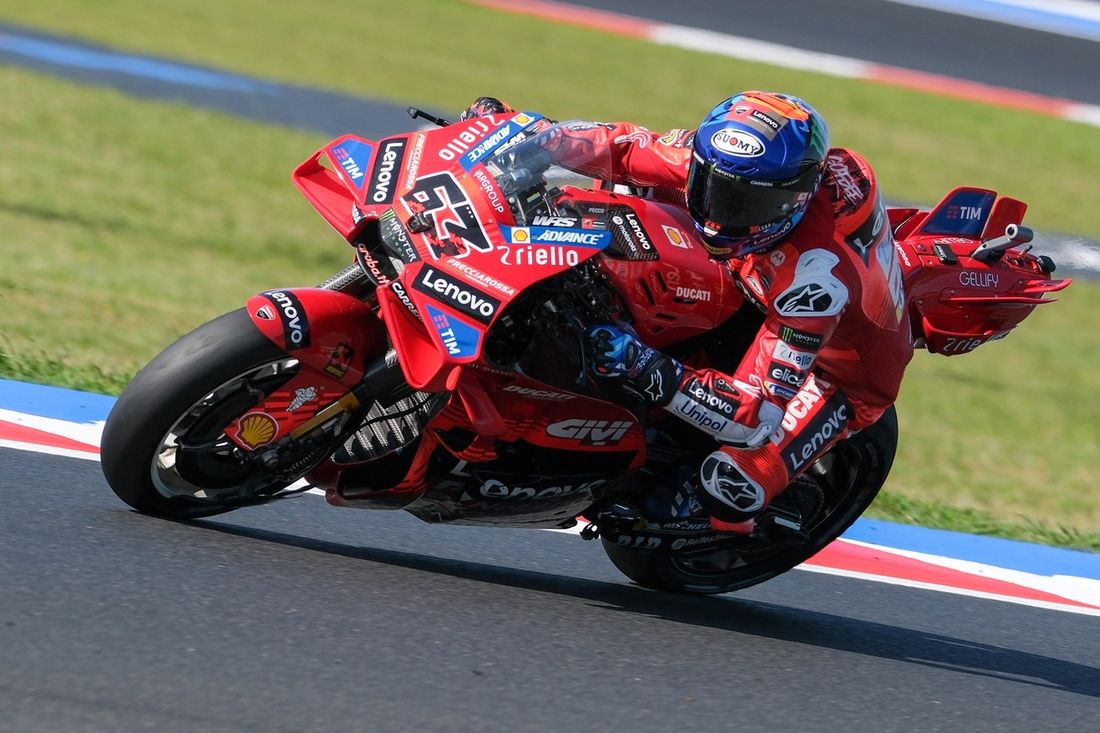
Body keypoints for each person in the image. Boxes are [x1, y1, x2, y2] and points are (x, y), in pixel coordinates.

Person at [461, 92, 913, 534]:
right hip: (753, 276)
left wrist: (646, 367)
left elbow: (754, 417)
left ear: (793, 199)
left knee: (733, 482)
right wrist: (520, 139)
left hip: (836, 373)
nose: (718, 215)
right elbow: (623, 146)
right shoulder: (729, 165)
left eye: (743, 205)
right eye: (711, 187)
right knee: (623, 196)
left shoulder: (815, 283)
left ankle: (677, 502)